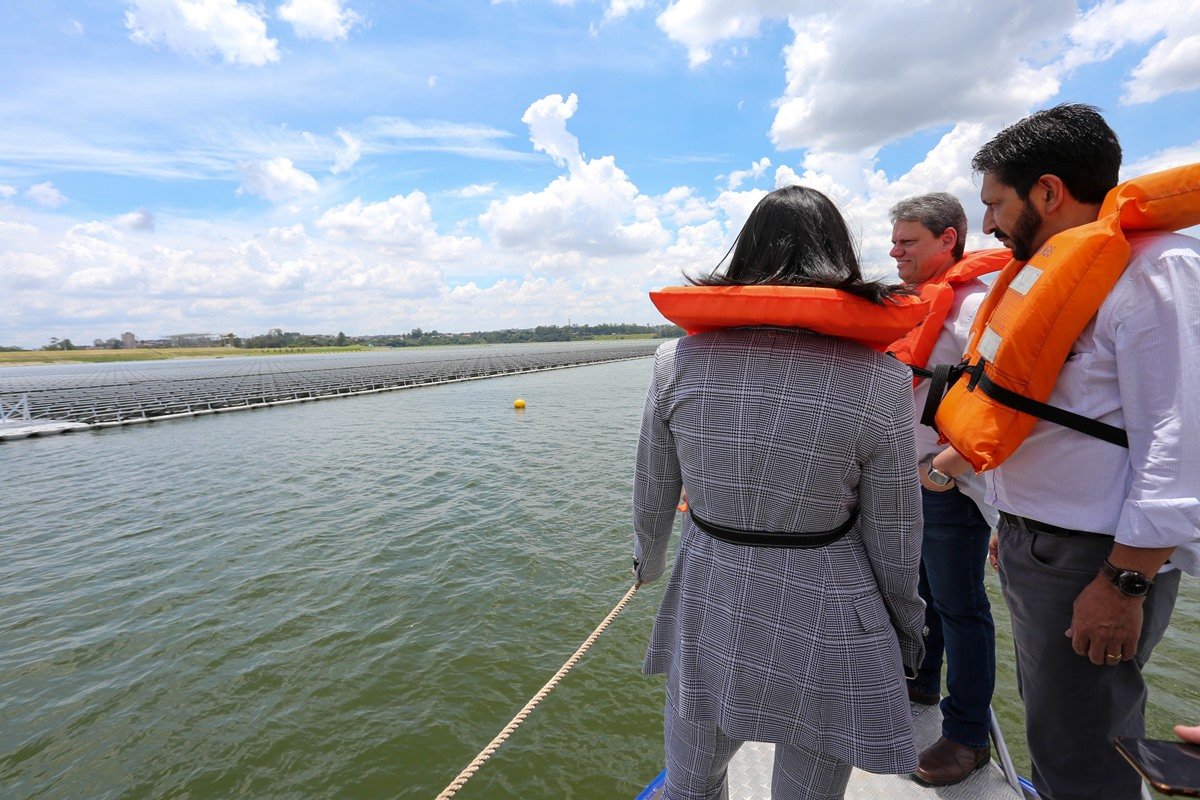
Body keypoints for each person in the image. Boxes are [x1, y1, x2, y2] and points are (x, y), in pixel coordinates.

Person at [932, 103, 1200, 800]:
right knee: (1056, 733)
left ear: (1048, 192)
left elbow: (1181, 443)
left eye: (995, 203)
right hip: (1034, 543)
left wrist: (1125, 583)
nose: (987, 223)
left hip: (1098, 562)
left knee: (1085, 755)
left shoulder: (1157, 271)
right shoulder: (1050, 276)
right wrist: (1012, 518)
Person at [633, 185, 926, 800]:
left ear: (744, 257)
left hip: (712, 592)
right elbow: (896, 528)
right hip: (831, 612)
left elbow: (654, 486)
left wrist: (649, 562)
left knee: (690, 784)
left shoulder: (673, 364)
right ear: (839, 260)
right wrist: (906, 624)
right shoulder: (882, 379)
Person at [888, 193, 998, 786]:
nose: (894, 251)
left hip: (947, 480)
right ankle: (922, 682)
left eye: (908, 242)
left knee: (962, 608)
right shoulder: (912, 306)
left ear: (948, 240)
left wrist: (944, 468)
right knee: (922, 593)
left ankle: (966, 737)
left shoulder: (977, 306)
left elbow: (1003, 400)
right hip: (910, 480)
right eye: (895, 241)